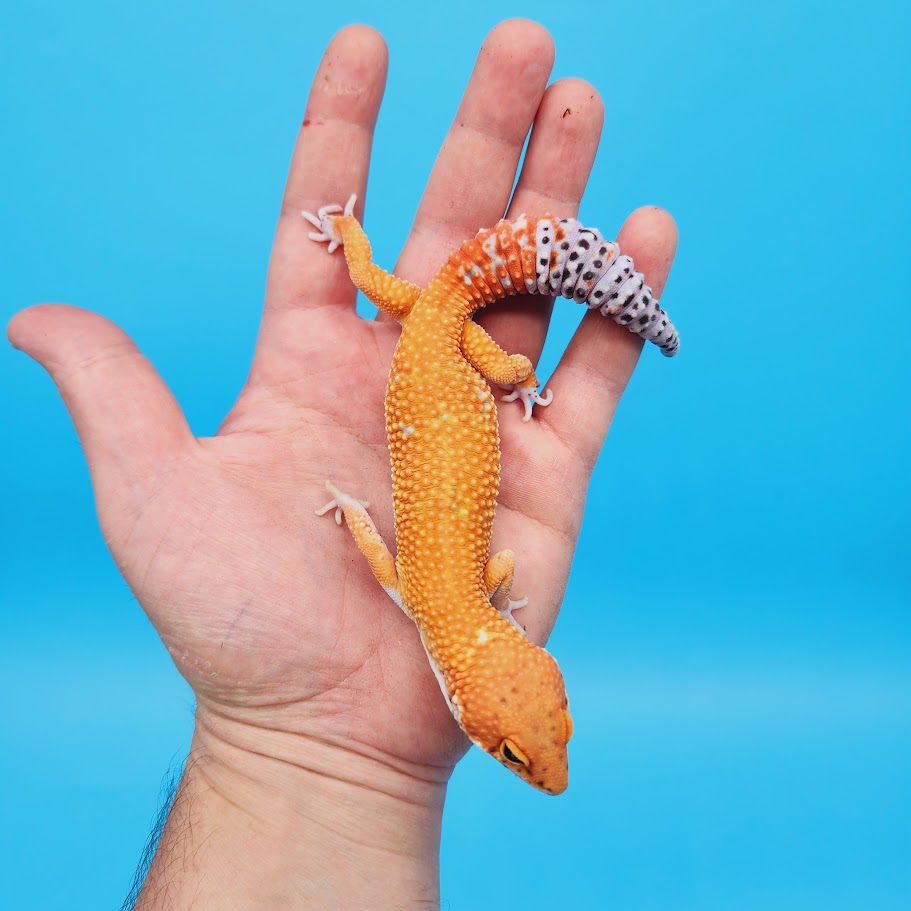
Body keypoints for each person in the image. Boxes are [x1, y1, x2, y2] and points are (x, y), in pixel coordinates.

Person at [8, 19, 677, 910]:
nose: (537, 768)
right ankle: (508, 309)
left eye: (526, 746)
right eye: (521, 749)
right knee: (460, 327)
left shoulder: (464, 592)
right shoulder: (437, 597)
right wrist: (368, 498)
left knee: (431, 311)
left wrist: (504, 382)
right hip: (454, 334)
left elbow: (476, 563)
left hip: (453, 331)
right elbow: (382, 540)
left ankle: (426, 276)